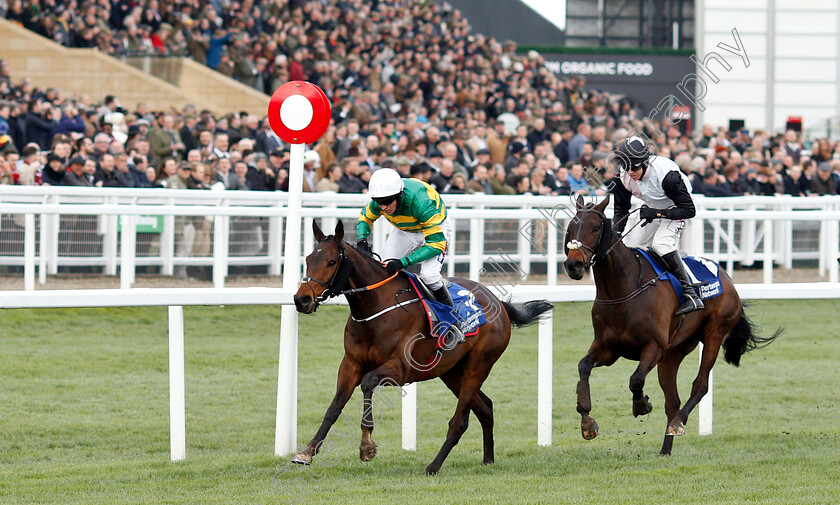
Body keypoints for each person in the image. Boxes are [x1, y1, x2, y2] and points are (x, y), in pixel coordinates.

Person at [355, 168, 463, 343]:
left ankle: (453, 324)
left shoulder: (420, 201)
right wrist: (361, 240)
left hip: (436, 228)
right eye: (378, 202)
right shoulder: (382, 199)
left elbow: (436, 244)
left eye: (387, 202)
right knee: (382, 268)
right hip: (406, 230)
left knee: (429, 276)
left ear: (399, 195)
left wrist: (404, 261)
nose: (383, 207)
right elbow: (365, 218)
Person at [610, 136, 704, 315]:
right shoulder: (623, 176)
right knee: (630, 245)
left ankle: (691, 294)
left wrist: (658, 214)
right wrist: (616, 234)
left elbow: (689, 210)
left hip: (677, 209)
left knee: (660, 244)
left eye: (635, 167)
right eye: (626, 166)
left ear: (645, 162)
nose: (630, 172)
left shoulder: (667, 175)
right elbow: (621, 209)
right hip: (653, 209)